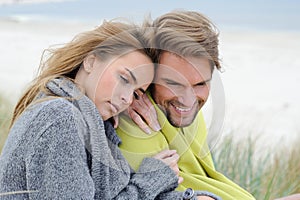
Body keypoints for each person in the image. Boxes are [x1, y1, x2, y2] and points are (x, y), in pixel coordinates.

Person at [0, 19, 220, 200]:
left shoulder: (95, 126)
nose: (126, 98)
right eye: (124, 78)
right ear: (91, 61)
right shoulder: (59, 116)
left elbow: (110, 194)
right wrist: (152, 179)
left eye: (136, 93)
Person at [116, 10, 256, 200]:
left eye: (200, 84)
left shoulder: (192, 120)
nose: (188, 100)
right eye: (173, 84)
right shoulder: (134, 121)